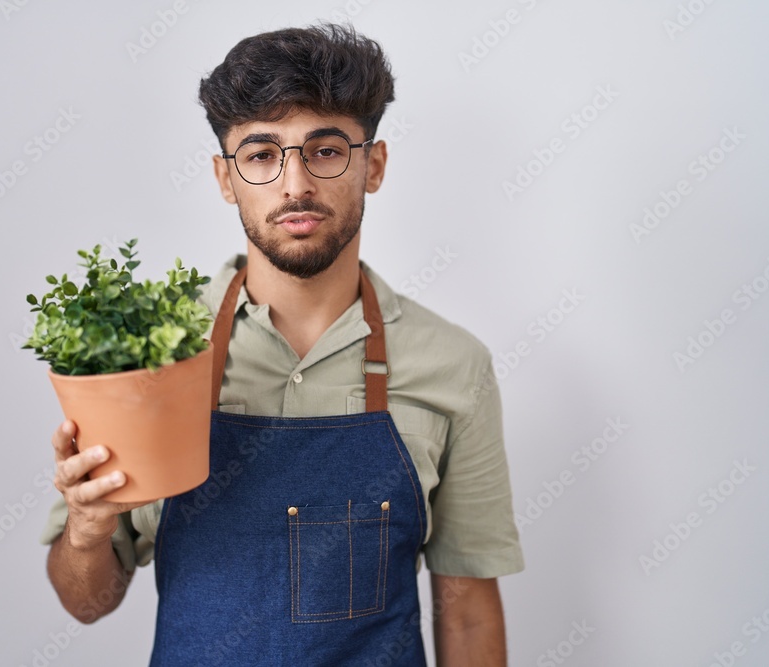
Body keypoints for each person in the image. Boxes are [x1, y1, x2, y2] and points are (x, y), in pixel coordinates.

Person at [41, 23, 524, 666]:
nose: (295, 184)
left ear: (372, 165)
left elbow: (464, 609)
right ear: (224, 177)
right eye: (262, 154)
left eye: (325, 151)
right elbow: (87, 603)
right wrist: (86, 529)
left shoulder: (455, 366)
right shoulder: (148, 354)